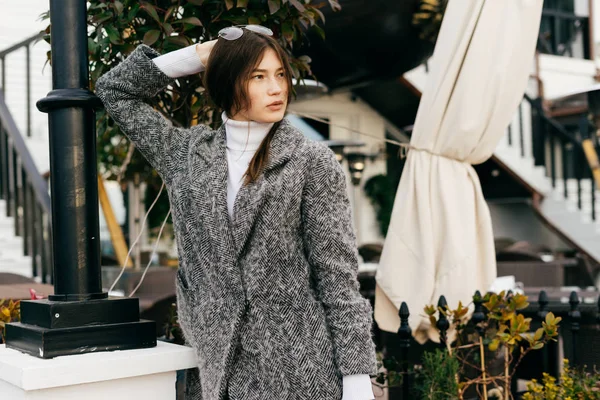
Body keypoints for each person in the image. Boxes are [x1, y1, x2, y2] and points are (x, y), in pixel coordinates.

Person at [95, 25, 377, 400]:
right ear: (229, 82)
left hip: (301, 372)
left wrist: (357, 377)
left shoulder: (311, 162)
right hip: (219, 373)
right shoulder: (187, 156)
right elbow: (116, 91)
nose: (277, 89)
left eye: (280, 75)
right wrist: (199, 55)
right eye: (258, 77)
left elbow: (338, 277)